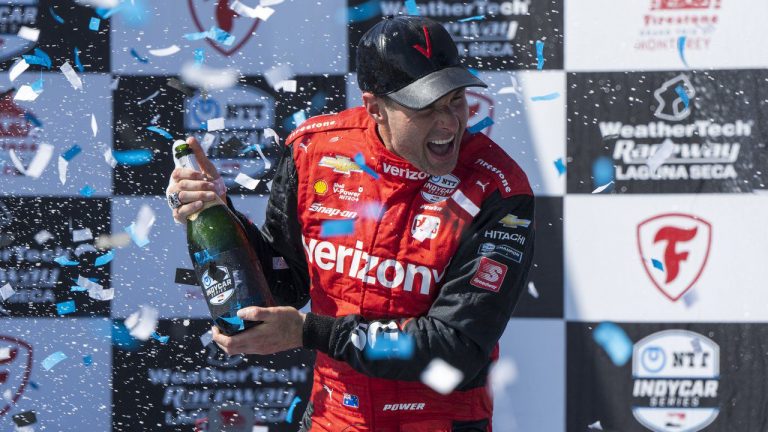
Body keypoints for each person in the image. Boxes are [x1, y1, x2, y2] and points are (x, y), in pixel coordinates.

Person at [166, 15, 535, 432]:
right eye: (426, 108)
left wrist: (311, 332)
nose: (448, 123)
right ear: (375, 107)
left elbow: (456, 348)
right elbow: (285, 283)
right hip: (333, 419)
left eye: (454, 100)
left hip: (439, 422)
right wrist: (217, 209)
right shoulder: (313, 151)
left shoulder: (498, 189)